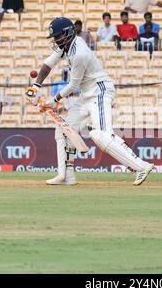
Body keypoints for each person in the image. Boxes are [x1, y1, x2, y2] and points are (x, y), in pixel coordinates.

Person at [25, 17, 154, 186]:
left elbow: (73, 85)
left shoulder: (80, 53)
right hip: (86, 95)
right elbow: (47, 65)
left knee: (101, 134)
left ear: (67, 33)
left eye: (57, 36)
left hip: (99, 91)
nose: (55, 40)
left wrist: (53, 100)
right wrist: (35, 86)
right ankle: (66, 176)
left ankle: (141, 166)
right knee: (64, 130)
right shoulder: (65, 46)